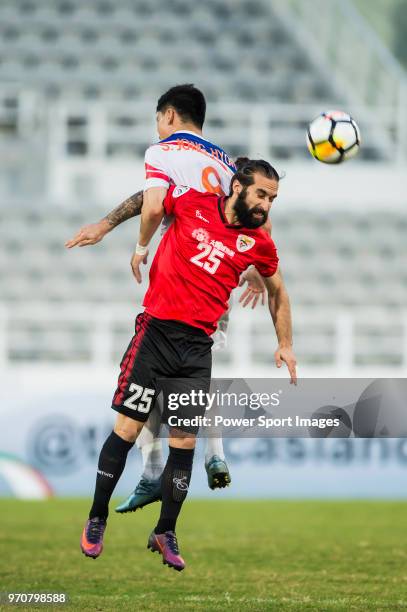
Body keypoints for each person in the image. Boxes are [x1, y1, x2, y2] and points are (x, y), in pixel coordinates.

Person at [65, 84, 290, 508]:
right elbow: (258, 220)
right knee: (192, 369)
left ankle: (156, 472)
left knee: (157, 375)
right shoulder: (227, 163)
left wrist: (133, 244)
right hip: (218, 275)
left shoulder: (164, 150)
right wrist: (258, 272)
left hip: (184, 269)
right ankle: (207, 457)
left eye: (157, 120)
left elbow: (152, 205)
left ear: (168, 115)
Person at [80, 158, 297, 571]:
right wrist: (107, 226)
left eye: (273, 199)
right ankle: (96, 517)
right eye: (262, 194)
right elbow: (150, 199)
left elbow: (278, 292)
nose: (267, 205)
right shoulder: (194, 202)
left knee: (184, 445)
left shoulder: (260, 244)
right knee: (126, 430)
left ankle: (165, 531)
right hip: (155, 334)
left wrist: (285, 343)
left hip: (197, 348)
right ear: (237, 186)